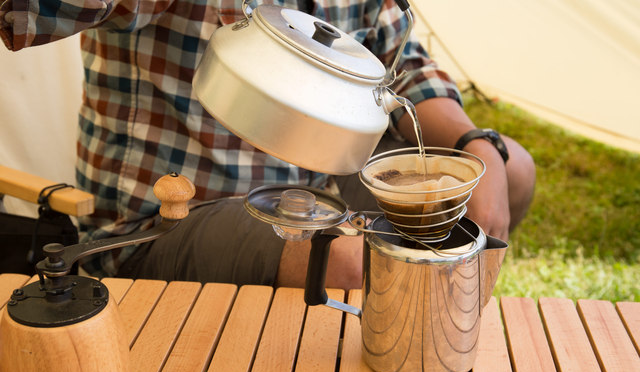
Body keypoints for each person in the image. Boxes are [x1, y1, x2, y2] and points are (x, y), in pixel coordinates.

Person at [0, 0, 534, 289]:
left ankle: (446, 326)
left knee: (509, 172)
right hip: (168, 220)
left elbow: (403, 62)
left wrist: (476, 144)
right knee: (355, 263)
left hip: (310, 184)